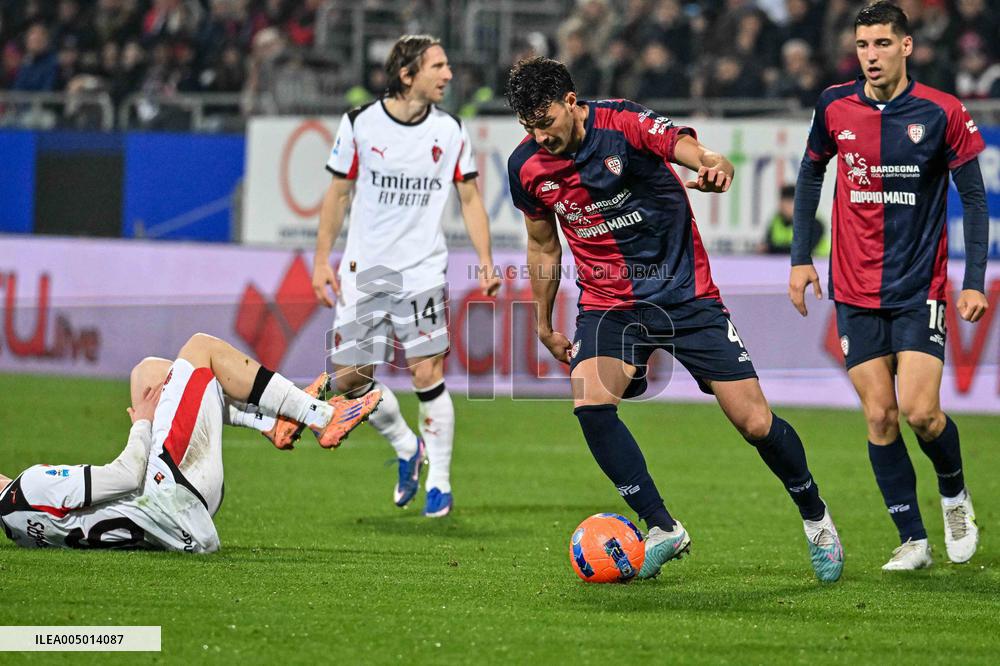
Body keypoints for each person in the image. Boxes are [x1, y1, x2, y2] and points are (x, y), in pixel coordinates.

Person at [505, 57, 844, 582]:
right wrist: (543, 321)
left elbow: (685, 146)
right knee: (591, 403)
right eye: (529, 126)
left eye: (545, 121)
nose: (539, 136)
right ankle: (662, 526)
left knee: (755, 423)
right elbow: (542, 242)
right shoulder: (526, 167)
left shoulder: (623, 123)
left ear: (571, 102)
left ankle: (816, 517)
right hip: (608, 301)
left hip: (684, 294)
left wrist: (712, 164)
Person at [789, 2, 988, 571]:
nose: (870, 56)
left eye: (881, 44)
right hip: (852, 288)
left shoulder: (943, 111)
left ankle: (954, 496)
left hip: (917, 286)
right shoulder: (833, 105)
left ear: (906, 46)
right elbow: (810, 174)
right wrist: (801, 259)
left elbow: (974, 200)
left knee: (921, 412)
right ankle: (913, 539)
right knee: (880, 416)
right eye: (862, 46)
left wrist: (973, 281)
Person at [312, 35, 501, 518]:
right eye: (438, 66)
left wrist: (485, 257)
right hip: (364, 269)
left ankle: (439, 480)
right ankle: (405, 445)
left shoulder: (451, 130)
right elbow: (337, 195)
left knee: (426, 371)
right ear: (407, 74)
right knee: (352, 380)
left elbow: (471, 197)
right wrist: (320, 260)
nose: (449, 74)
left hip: (421, 271)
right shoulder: (359, 123)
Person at [0, 333, 381, 551]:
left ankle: (270, 422)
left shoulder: (17, 530)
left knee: (148, 374)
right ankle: (321, 417)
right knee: (201, 349)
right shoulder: (29, 486)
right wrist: (143, 425)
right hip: (173, 495)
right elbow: (127, 475)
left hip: (177, 523)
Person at [759, 184, 827, 255]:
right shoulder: (775, 221)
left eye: (789, 202)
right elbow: (768, 244)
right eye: (782, 202)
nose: (784, 207)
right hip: (783, 264)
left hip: (818, 263)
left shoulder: (814, 223)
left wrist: (771, 249)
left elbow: (802, 250)